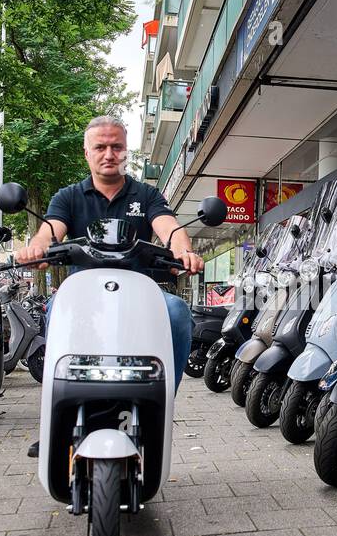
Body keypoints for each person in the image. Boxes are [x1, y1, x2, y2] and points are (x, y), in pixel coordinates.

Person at [14, 115, 203, 456]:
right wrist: (38, 246)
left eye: (116, 146)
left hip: (138, 294)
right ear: (86, 152)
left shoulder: (145, 194)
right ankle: (58, 418)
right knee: (55, 310)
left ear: (125, 152)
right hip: (82, 294)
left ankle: (161, 406)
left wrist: (183, 250)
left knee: (176, 311)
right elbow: (50, 229)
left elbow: (169, 227)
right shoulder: (68, 197)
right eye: (100, 147)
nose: (109, 153)